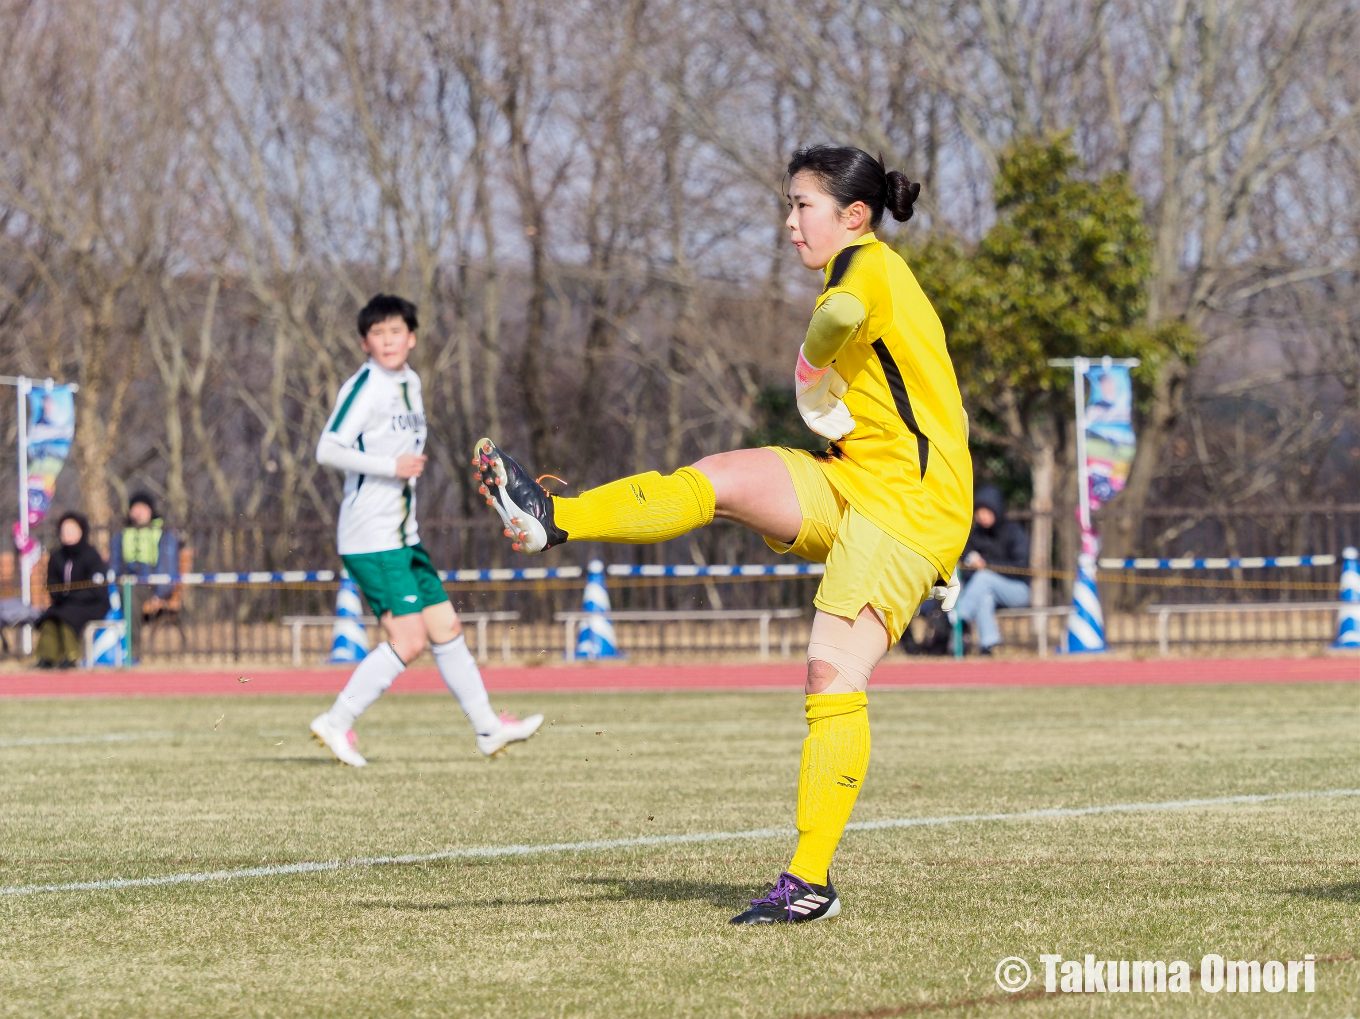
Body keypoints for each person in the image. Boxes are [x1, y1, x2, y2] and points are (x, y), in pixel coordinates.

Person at [473, 146, 972, 924]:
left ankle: (809, 882)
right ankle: (552, 517)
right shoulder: (858, 268)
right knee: (718, 479)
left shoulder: (866, 268)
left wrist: (809, 367)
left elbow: (840, 317)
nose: (788, 222)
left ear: (854, 216)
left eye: (800, 205)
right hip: (858, 479)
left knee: (830, 675)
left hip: (910, 504)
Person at [309, 294, 542, 767]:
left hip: (402, 534)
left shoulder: (411, 382)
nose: (388, 340)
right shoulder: (366, 385)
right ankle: (336, 722)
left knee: (446, 626)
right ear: (364, 342)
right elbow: (327, 448)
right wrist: (389, 465)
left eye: (396, 331)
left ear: (412, 337)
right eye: (378, 333)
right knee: (409, 640)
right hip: (370, 535)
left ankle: (487, 729)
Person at [954, 485, 1031, 655]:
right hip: (985, 591)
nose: (982, 516)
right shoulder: (975, 535)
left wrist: (987, 564)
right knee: (983, 596)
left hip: (1017, 590)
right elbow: (966, 570)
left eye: (986, 511)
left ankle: (958, 619)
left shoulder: (1013, 532)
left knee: (984, 578)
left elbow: (1021, 566)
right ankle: (988, 645)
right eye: (979, 512)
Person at [35, 512, 110, 669]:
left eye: (71, 530)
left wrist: (71, 596)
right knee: (50, 617)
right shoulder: (57, 556)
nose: (67, 534)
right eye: (64, 531)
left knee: (67, 615)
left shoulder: (91, 555)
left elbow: (96, 589)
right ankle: (48, 657)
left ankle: (71, 656)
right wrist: (62, 596)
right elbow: (53, 585)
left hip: (92, 604)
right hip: (64, 604)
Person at [108, 492, 179, 621]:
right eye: (135, 508)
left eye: (142, 508)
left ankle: (132, 641)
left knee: (130, 598)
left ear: (150, 511)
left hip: (150, 587)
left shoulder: (163, 533)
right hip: (126, 584)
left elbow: (166, 566)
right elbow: (115, 564)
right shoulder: (122, 534)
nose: (138, 513)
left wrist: (160, 594)